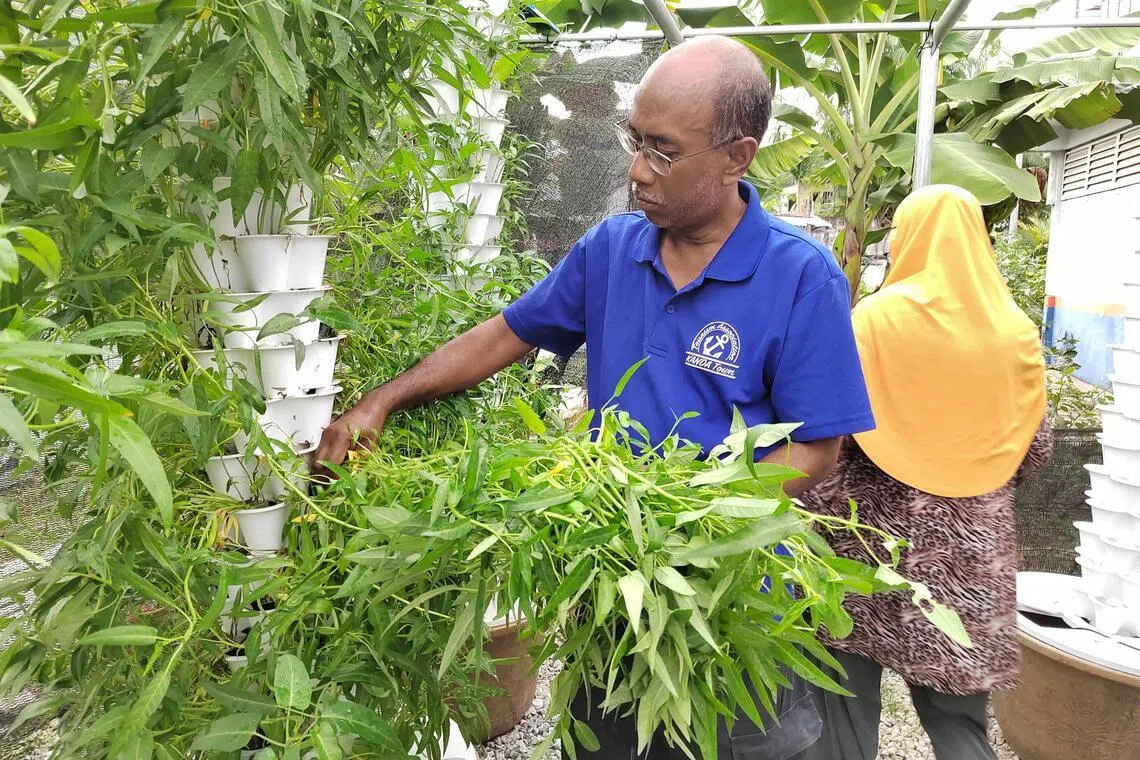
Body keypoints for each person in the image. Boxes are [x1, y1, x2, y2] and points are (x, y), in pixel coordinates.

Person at [315, 35, 876, 759]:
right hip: (613, 602)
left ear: (737, 155)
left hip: (728, 612)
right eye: (634, 140)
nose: (637, 170)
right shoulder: (614, 249)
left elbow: (816, 451)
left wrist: (680, 508)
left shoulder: (801, 276)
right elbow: (502, 335)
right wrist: (382, 402)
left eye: (664, 151)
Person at [798, 185, 1054, 760]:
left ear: (912, 235)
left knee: (841, 706)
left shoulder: (874, 321)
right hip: (968, 555)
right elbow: (1033, 450)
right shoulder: (1013, 334)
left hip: (862, 546)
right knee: (960, 725)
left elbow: (832, 429)